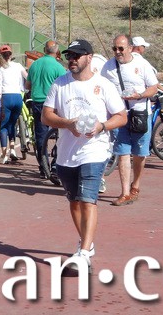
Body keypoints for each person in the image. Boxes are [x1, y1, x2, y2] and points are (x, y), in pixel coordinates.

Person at [41, 39, 127, 270]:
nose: (72, 60)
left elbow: (121, 116)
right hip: (66, 153)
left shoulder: (103, 85)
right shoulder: (60, 84)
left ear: (89, 57)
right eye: (69, 56)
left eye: (77, 56)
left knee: (88, 200)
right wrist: (67, 123)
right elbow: (46, 116)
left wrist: (102, 126)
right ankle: (87, 242)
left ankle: (84, 252)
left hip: (94, 151)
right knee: (74, 202)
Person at [100, 34, 159, 206]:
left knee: (139, 154)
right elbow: (101, 87)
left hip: (140, 113)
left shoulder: (142, 64)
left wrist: (139, 95)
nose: (117, 52)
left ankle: (136, 185)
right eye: (114, 48)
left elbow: (153, 87)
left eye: (121, 48)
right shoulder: (108, 67)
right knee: (122, 152)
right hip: (119, 116)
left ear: (130, 48)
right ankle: (125, 192)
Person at [26, 40, 66, 179]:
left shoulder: (35, 64)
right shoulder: (58, 67)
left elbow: (28, 85)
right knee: (60, 133)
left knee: (40, 136)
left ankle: (43, 166)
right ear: (57, 51)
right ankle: (55, 165)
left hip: (37, 102)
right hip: (53, 104)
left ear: (44, 50)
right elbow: (65, 86)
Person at [0, 45, 28, 164]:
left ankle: (4, 154)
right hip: (17, 96)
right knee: (12, 124)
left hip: (6, 97)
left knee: (4, 126)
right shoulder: (18, 66)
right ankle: (13, 149)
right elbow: (28, 77)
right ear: (11, 55)